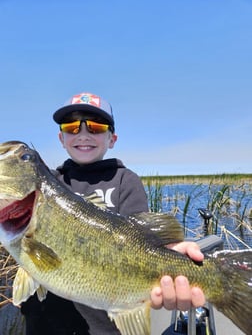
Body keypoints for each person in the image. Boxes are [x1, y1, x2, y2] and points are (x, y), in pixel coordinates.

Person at [21, 92, 205, 335]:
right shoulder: (48, 184)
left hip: (105, 326)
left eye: (95, 127)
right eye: (72, 127)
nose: (83, 134)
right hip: (45, 325)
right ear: (61, 137)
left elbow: (143, 241)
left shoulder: (124, 181)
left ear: (112, 138)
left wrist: (170, 256)